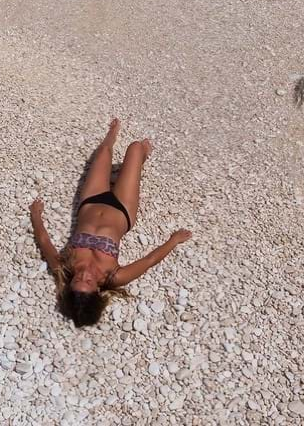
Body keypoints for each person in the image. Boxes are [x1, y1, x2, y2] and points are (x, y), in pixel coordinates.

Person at [29, 118, 193, 327]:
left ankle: (113, 133)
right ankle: (138, 162)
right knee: (136, 148)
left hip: (90, 201)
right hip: (122, 208)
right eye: (88, 282)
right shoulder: (114, 276)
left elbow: (44, 240)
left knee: (104, 152)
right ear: (97, 290)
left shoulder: (63, 265)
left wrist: (36, 216)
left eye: (77, 280)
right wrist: (174, 240)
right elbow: (149, 260)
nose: (84, 275)